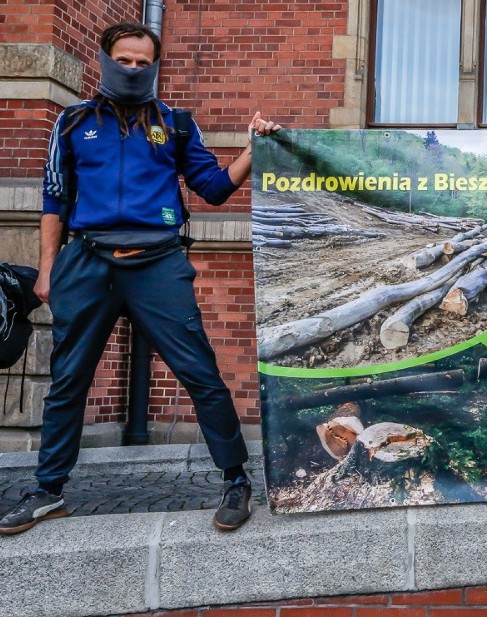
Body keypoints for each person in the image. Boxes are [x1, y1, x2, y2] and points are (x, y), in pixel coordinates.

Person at [0, 22, 281, 535]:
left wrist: (250, 147)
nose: (133, 69)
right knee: (68, 380)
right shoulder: (71, 122)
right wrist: (48, 270)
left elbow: (214, 188)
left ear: (154, 66)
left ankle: (235, 479)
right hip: (87, 262)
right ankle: (47, 490)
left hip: (158, 263)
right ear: (106, 60)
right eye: (124, 60)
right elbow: (53, 202)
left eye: (142, 63)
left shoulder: (175, 123)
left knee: (200, 372)